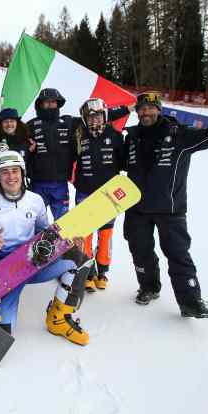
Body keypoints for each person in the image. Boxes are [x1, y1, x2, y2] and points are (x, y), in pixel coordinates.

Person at [122, 87, 208, 318]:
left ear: (159, 109)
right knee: (140, 252)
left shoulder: (179, 134)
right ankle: (149, 287)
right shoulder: (131, 138)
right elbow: (115, 164)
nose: (146, 112)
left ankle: (191, 302)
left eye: (151, 108)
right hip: (136, 210)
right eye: (142, 109)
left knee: (178, 254)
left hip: (170, 210)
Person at [0, 150, 90, 344]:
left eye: (15, 171)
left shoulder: (35, 200)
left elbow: (44, 232)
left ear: (22, 173)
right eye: (5, 172)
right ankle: (0, 310)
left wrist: (69, 242)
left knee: (80, 258)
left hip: (33, 263)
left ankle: (59, 317)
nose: (11, 176)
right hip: (3, 274)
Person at [27, 88, 131, 221]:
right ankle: (35, 242)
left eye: (53, 102)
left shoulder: (68, 122)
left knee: (62, 224)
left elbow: (96, 115)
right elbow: (17, 141)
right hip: (37, 183)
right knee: (35, 221)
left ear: (58, 104)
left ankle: (61, 242)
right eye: (46, 102)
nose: (49, 105)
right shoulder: (29, 126)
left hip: (60, 183)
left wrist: (127, 109)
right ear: (39, 105)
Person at [72, 98, 131, 292]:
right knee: (86, 235)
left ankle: (103, 271)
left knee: (105, 235)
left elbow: (124, 163)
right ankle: (88, 271)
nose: (94, 120)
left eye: (97, 115)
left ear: (104, 116)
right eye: (90, 116)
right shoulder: (79, 135)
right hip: (84, 193)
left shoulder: (115, 135)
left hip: (108, 195)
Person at [0, 107, 34, 173]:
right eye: (5, 122)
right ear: (1, 124)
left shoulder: (27, 141)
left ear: (17, 123)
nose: (9, 124)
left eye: (12, 121)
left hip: (21, 181)